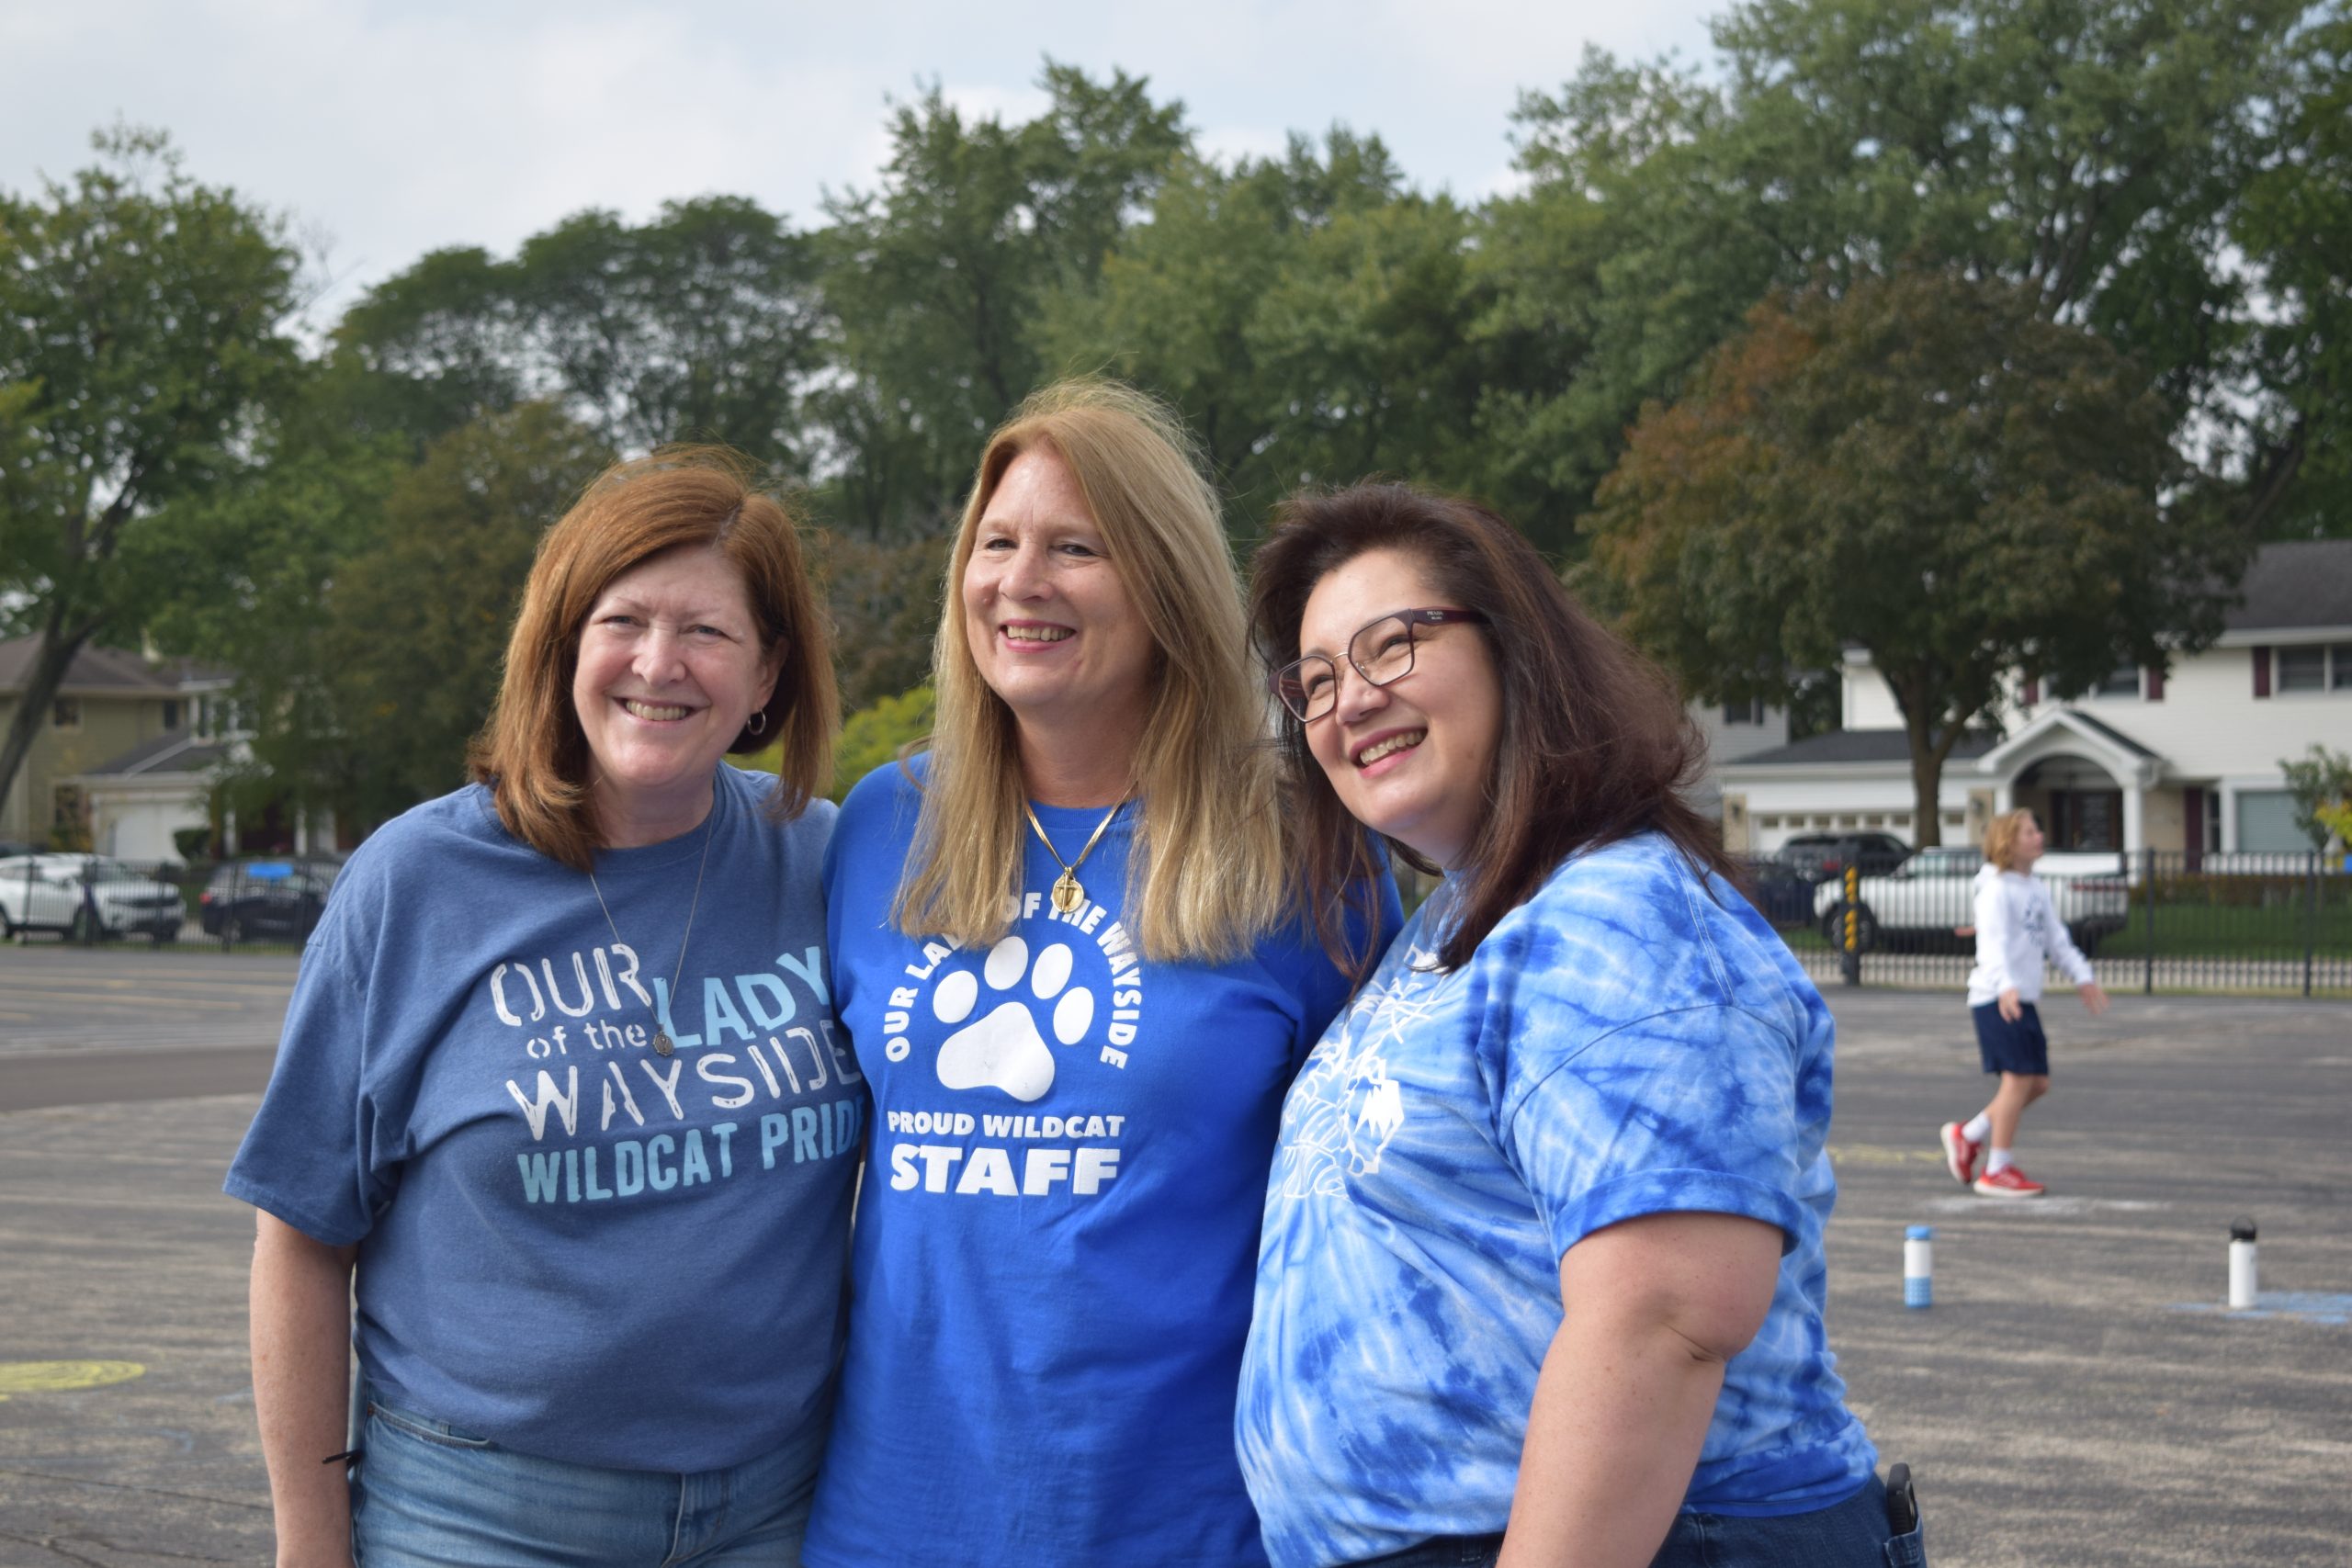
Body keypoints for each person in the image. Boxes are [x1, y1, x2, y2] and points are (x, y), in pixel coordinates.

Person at [1238, 482, 1914, 1568]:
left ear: (1514, 653)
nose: (1348, 701)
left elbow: (1664, 1320)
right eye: (1313, 681)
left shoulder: (1621, 912)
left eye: (1391, 646)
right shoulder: (1463, 919)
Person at [801, 380, 1396, 1568]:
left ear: (1165, 580)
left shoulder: (1301, 842)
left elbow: (1379, 1200)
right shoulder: (881, 824)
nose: (1021, 581)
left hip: (1191, 1522)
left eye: (1076, 548)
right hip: (893, 1517)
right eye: (996, 544)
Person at [227, 449, 854, 1567]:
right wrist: (310, 1538)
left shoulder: (820, 860)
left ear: (767, 675)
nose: (658, 663)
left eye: (707, 631)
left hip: (776, 1507)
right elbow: (303, 1235)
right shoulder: (417, 882)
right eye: (623, 621)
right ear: (562, 645)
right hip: (476, 1515)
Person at [1939, 807, 2109, 1199]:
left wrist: (2082, 976)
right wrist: (2005, 986)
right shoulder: (1996, 889)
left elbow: (2057, 940)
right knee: (2017, 1080)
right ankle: (1996, 1169)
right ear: (2008, 842)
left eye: (2037, 830)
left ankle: (1969, 1134)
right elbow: (1992, 945)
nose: (2039, 836)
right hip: (1996, 997)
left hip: (2021, 997)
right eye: (2029, 832)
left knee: (2038, 1083)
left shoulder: (2035, 887)